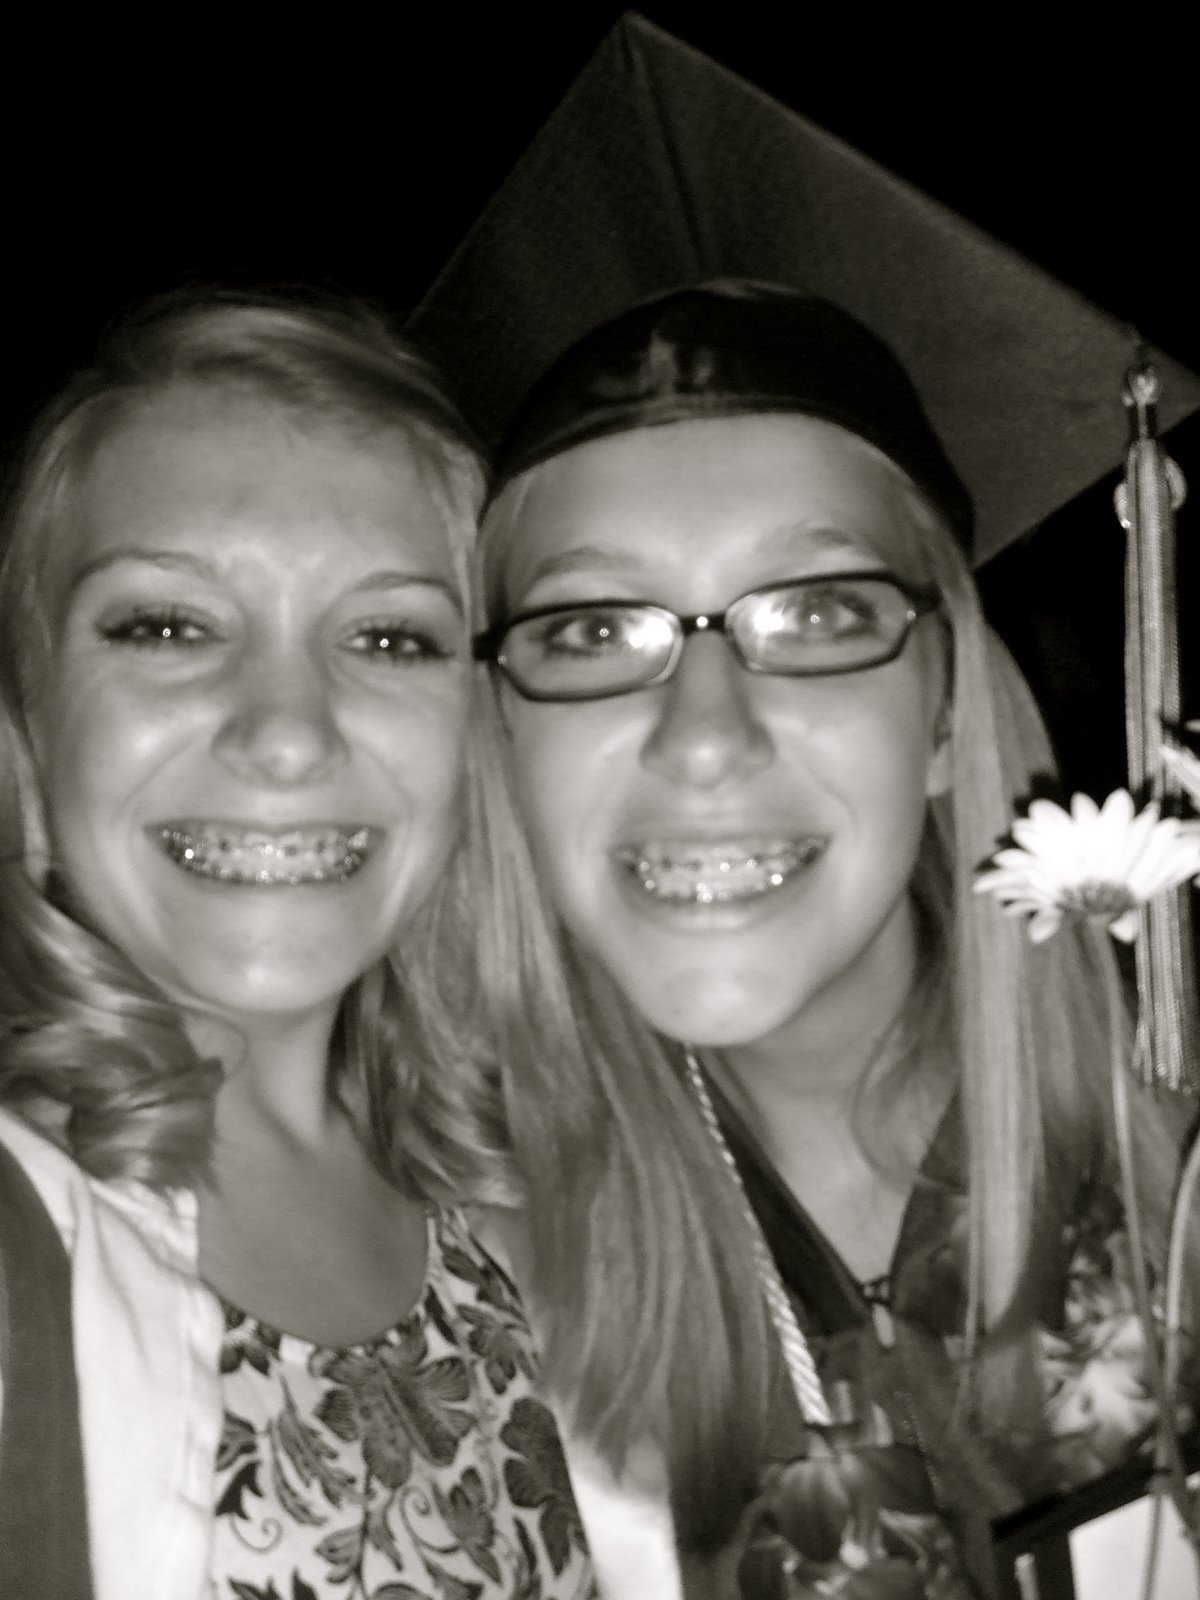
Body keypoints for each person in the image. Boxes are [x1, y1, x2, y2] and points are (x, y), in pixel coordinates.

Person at [474, 280, 1200, 1597]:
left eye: (816, 612)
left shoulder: (1180, 1153)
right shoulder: (474, 1311)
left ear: (944, 713)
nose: (704, 737)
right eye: (592, 630)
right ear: (504, 734)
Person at [0, 290, 596, 1600]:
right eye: (167, 626)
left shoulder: (524, 1217)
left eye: (389, 637)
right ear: (29, 728)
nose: (286, 734)